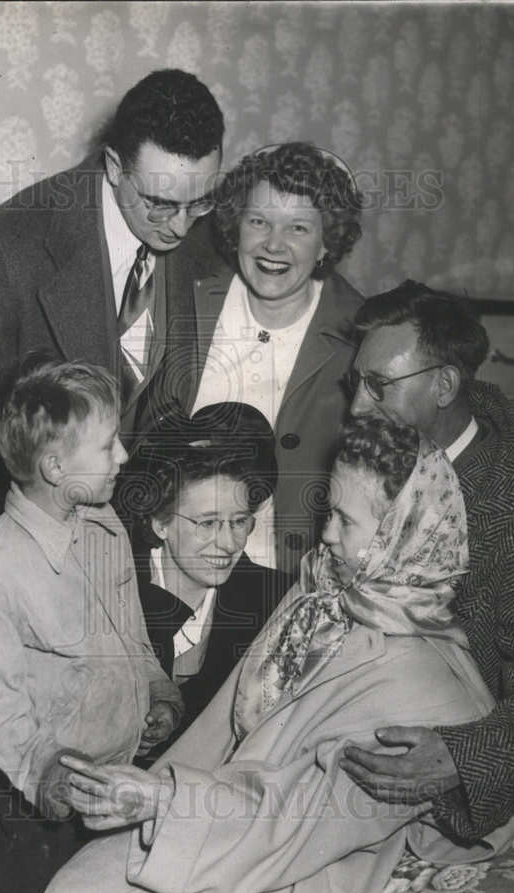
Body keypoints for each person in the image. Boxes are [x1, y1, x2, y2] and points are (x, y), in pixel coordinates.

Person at [0, 68, 224, 893]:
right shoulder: (7, 250)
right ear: (113, 166)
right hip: (18, 544)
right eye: (161, 203)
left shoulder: (192, 234)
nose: (182, 226)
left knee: (101, 775)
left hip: (113, 547)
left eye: (199, 203)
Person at [24, 417, 514, 893]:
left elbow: (297, 819)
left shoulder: (422, 687)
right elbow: (221, 730)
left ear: (403, 534)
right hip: (212, 811)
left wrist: (163, 799)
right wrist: (152, 789)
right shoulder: (327, 592)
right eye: (329, 511)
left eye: (345, 521)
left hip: (282, 865)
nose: (325, 533)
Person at [338, 280, 514, 844]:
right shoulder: (373, 466)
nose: (356, 407)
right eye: (355, 383)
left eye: (378, 386)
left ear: (445, 385)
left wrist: (461, 757)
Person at [0, 360, 183, 893]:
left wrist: (158, 689)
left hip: (118, 771)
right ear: (55, 467)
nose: (124, 455)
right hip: (36, 797)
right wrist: (46, 770)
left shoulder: (105, 527)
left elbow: (132, 637)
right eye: (108, 447)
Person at [154, 141, 364, 577]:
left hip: (292, 580)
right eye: (259, 221)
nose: (274, 245)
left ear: (327, 243)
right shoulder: (184, 300)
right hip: (175, 569)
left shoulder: (359, 334)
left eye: (298, 229)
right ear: (236, 228)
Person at [126, 402, 291, 740]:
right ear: (160, 522)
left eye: (239, 522)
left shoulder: (278, 603)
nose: (228, 543)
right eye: (208, 523)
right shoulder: (110, 587)